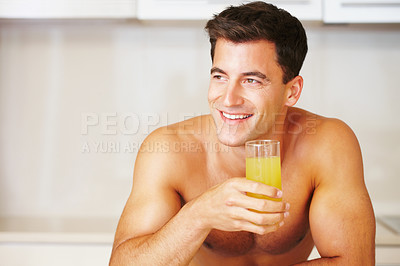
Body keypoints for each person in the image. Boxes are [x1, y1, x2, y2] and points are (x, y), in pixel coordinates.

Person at [109, 2, 375, 265]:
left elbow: (356, 262)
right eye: (220, 77)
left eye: (251, 80)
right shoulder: (169, 150)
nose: (229, 99)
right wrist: (199, 214)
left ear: (292, 91)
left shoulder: (328, 143)